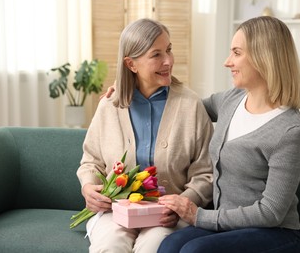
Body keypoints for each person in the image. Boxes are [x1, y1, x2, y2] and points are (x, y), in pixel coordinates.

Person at [156, 16, 300, 253]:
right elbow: (186, 106)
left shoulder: (290, 130)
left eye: (237, 53)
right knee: (169, 245)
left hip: (274, 233)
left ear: (263, 57)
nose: (228, 62)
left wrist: (200, 216)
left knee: (194, 251)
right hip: (225, 224)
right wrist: (130, 89)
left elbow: (271, 212)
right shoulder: (232, 100)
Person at [77, 18, 213, 253]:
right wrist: (89, 187)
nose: (168, 61)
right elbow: (91, 161)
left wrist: (182, 203)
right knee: (109, 247)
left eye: (169, 50)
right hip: (115, 210)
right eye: (156, 55)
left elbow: (205, 173)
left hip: (167, 216)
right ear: (131, 64)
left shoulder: (190, 105)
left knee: (152, 248)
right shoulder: (109, 105)